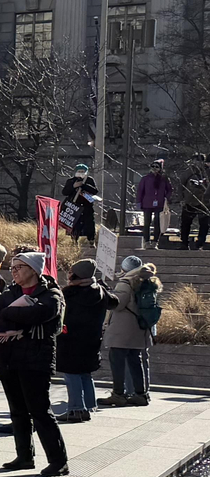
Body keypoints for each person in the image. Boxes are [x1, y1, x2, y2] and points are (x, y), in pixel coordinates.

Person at [0, 251, 69, 475]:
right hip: (8, 358)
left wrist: (12, 314)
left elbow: (42, 314)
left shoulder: (51, 293)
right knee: (17, 411)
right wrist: (17, 316)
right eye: (12, 267)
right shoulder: (8, 292)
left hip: (36, 360)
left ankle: (58, 461)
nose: (14, 271)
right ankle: (24, 456)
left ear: (34, 270)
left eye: (20, 267)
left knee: (40, 411)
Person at [102, 255, 161, 407]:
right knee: (135, 361)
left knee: (117, 361)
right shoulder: (147, 280)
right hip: (139, 329)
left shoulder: (125, 282)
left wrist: (105, 293)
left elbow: (118, 304)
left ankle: (118, 394)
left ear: (125, 269)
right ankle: (140, 394)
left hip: (122, 330)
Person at [58, 258, 111, 422]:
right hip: (92, 338)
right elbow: (114, 302)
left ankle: (76, 409)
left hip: (71, 339)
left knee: (71, 373)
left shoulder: (70, 294)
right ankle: (88, 405)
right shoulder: (99, 291)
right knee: (85, 373)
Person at [177, 154, 210, 251]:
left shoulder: (207, 172)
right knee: (186, 224)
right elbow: (181, 185)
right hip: (189, 201)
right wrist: (181, 199)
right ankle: (184, 243)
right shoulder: (189, 172)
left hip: (204, 203)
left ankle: (199, 243)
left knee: (204, 225)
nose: (197, 163)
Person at [137, 158, 171, 246]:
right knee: (147, 223)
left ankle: (155, 241)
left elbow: (170, 190)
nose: (155, 168)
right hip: (147, 203)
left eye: (157, 167)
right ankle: (147, 241)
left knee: (157, 223)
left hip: (159, 203)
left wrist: (166, 199)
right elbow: (140, 191)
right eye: (153, 166)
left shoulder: (164, 179)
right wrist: (139, 202)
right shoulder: (145, 178)